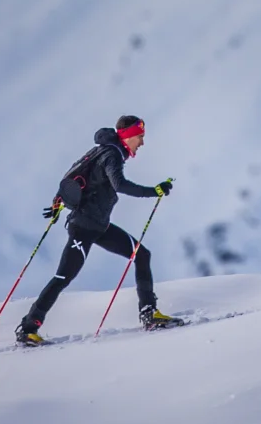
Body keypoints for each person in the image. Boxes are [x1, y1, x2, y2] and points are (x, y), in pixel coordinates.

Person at [15, 115, 180, 345]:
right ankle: (27, 328)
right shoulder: (111, 155)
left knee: (142, 254)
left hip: (98, 225)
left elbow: (72, 176)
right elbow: (119, 185)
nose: (142, 143)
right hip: (83, 227)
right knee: (62, 277)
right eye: (140, 137)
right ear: (128, 136)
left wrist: (58, 201)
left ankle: (149, 313)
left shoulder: (102, 151)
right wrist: (155, 191)